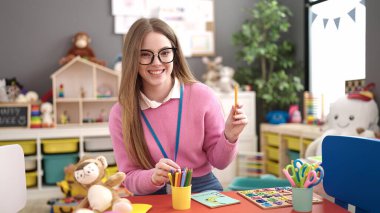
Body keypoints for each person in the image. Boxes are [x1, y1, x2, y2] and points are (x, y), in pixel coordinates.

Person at [109, 17, 248, 195]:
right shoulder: (121, 112)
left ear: (175, 54)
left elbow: (220, 162)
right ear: (132, 59)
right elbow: (128, 177)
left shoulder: (203, 95)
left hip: (201, 190)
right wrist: (152, 177)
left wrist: (230, 136)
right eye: (145, 54)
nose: (156, 62)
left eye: (165, 52)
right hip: (153, 195)